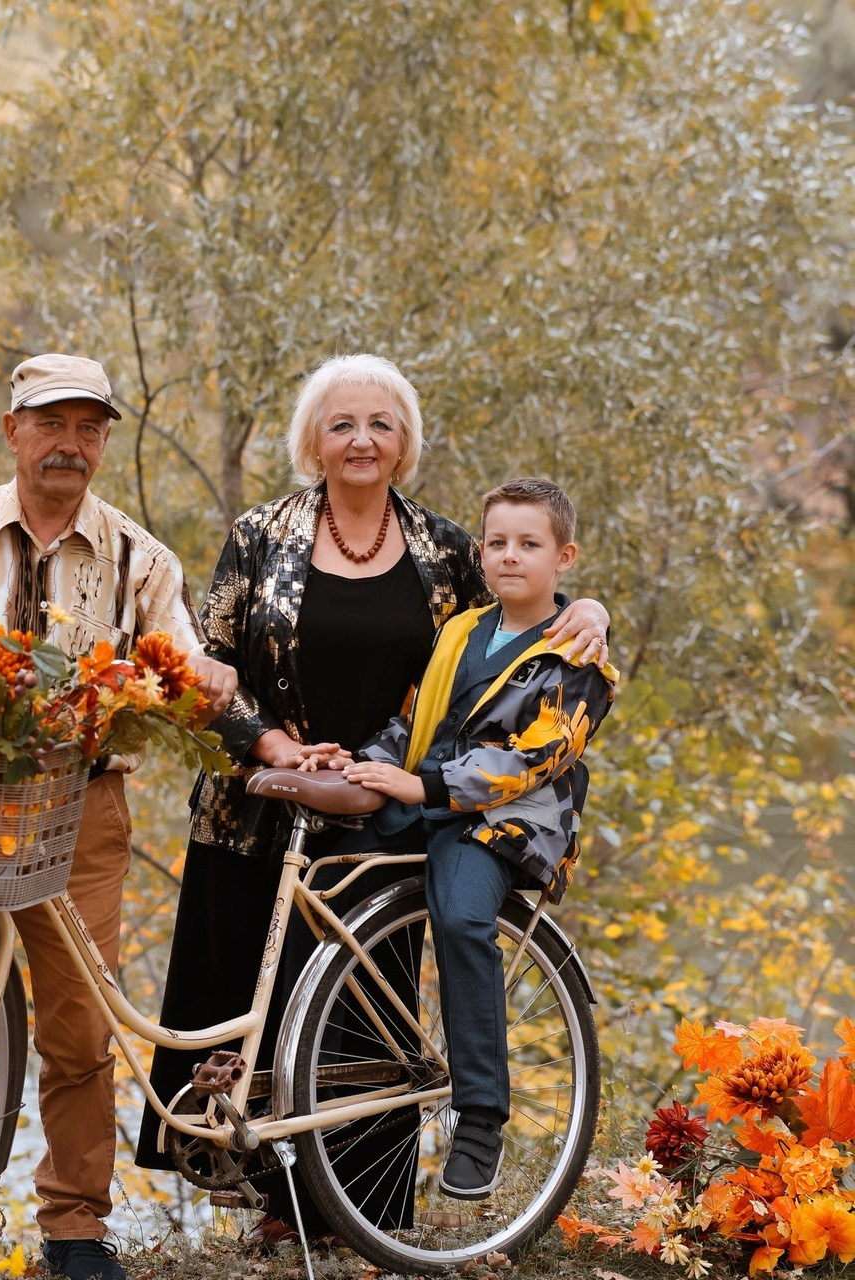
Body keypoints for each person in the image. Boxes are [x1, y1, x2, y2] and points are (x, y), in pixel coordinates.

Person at [134, 353, 610, 1238]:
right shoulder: (259, 534)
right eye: (343, 423)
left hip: (386, 804)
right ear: (314, 440)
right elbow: (208, 666)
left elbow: (513, 627)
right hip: (259, 799)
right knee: (249, 998)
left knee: (365, 1014)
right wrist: (275, 746)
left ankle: (355, 1217)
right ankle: (263, 1203)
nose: (362, 440)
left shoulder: (443, 549)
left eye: (381, 425)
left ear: (406, 445)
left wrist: (592, 615)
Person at [0, 352, 237, 1280]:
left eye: (89, 428)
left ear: (104, 441)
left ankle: (73, 1230)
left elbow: (185, 663)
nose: (70, 445)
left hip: (81, 811)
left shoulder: (141, 558)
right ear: (13, 430)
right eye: (52, 424)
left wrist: (208, 676)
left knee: (78, 1026)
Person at [334, 475, 617, 1198]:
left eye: (529, 544)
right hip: (423, 796)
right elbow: (415, 717)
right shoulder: (460, 631)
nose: (510, 557)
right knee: (325, 887)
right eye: (496, 543)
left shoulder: (579, 656)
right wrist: (362, 764)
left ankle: (482, 1116)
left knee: (462, 918)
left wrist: (425, 787)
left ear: (565, 557)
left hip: (500, 821)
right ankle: (312, 1096)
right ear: (479, 552)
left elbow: (536, 758)